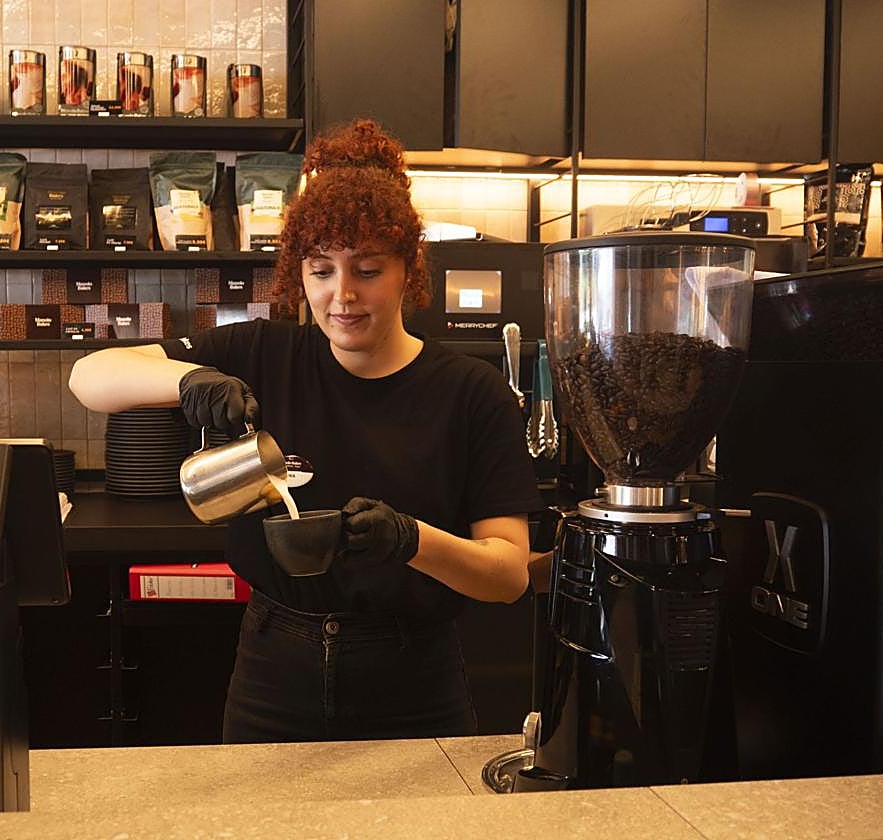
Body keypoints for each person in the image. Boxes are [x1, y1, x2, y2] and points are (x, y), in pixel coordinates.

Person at [70, 119, 541, 743]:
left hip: (413, 682)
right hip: (272, 669)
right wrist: (188, 382)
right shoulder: (263, 353)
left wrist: (410, 540)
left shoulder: (469, 391)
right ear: (300, 274)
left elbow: (508, 575)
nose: (342, 296)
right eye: (321, 271)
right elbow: (89, 374)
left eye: (367, 270)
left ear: (409, 270)